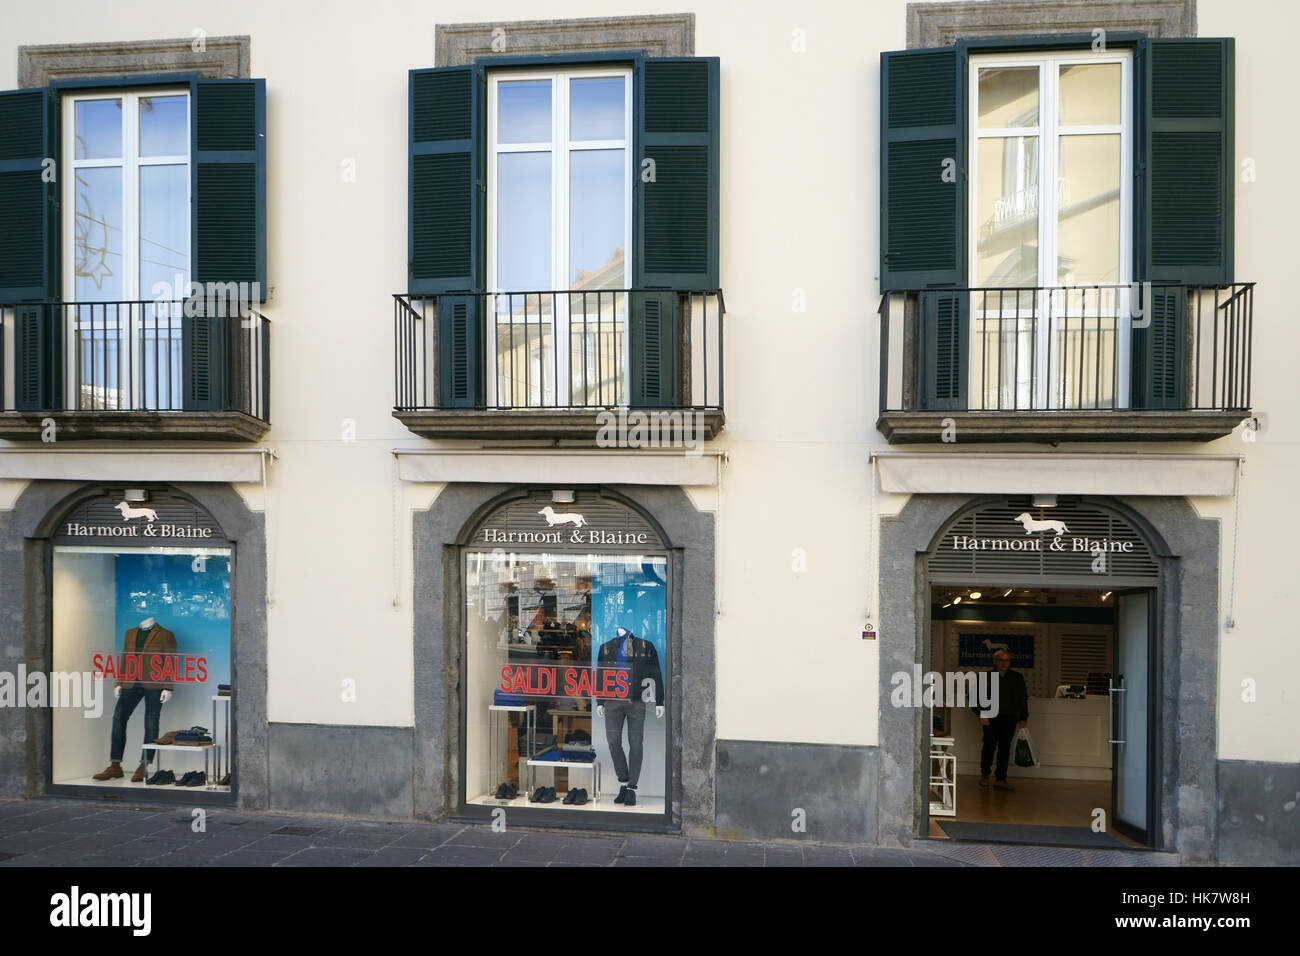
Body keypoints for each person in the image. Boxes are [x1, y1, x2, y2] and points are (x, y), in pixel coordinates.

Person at [974, 649, 1028, 791]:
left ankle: (1001, 778)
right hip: (991, 718)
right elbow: (974, 697)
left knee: (1005, 749)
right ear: (995, 661)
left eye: (1007, 660)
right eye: (1002, 660)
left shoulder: (1017, 678)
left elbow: (1023, 699)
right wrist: (981, 714)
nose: (1005, 663)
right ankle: (985, 775)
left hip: (1010, 718)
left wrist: (1023, 717)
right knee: (989, 746)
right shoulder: (985, 677)